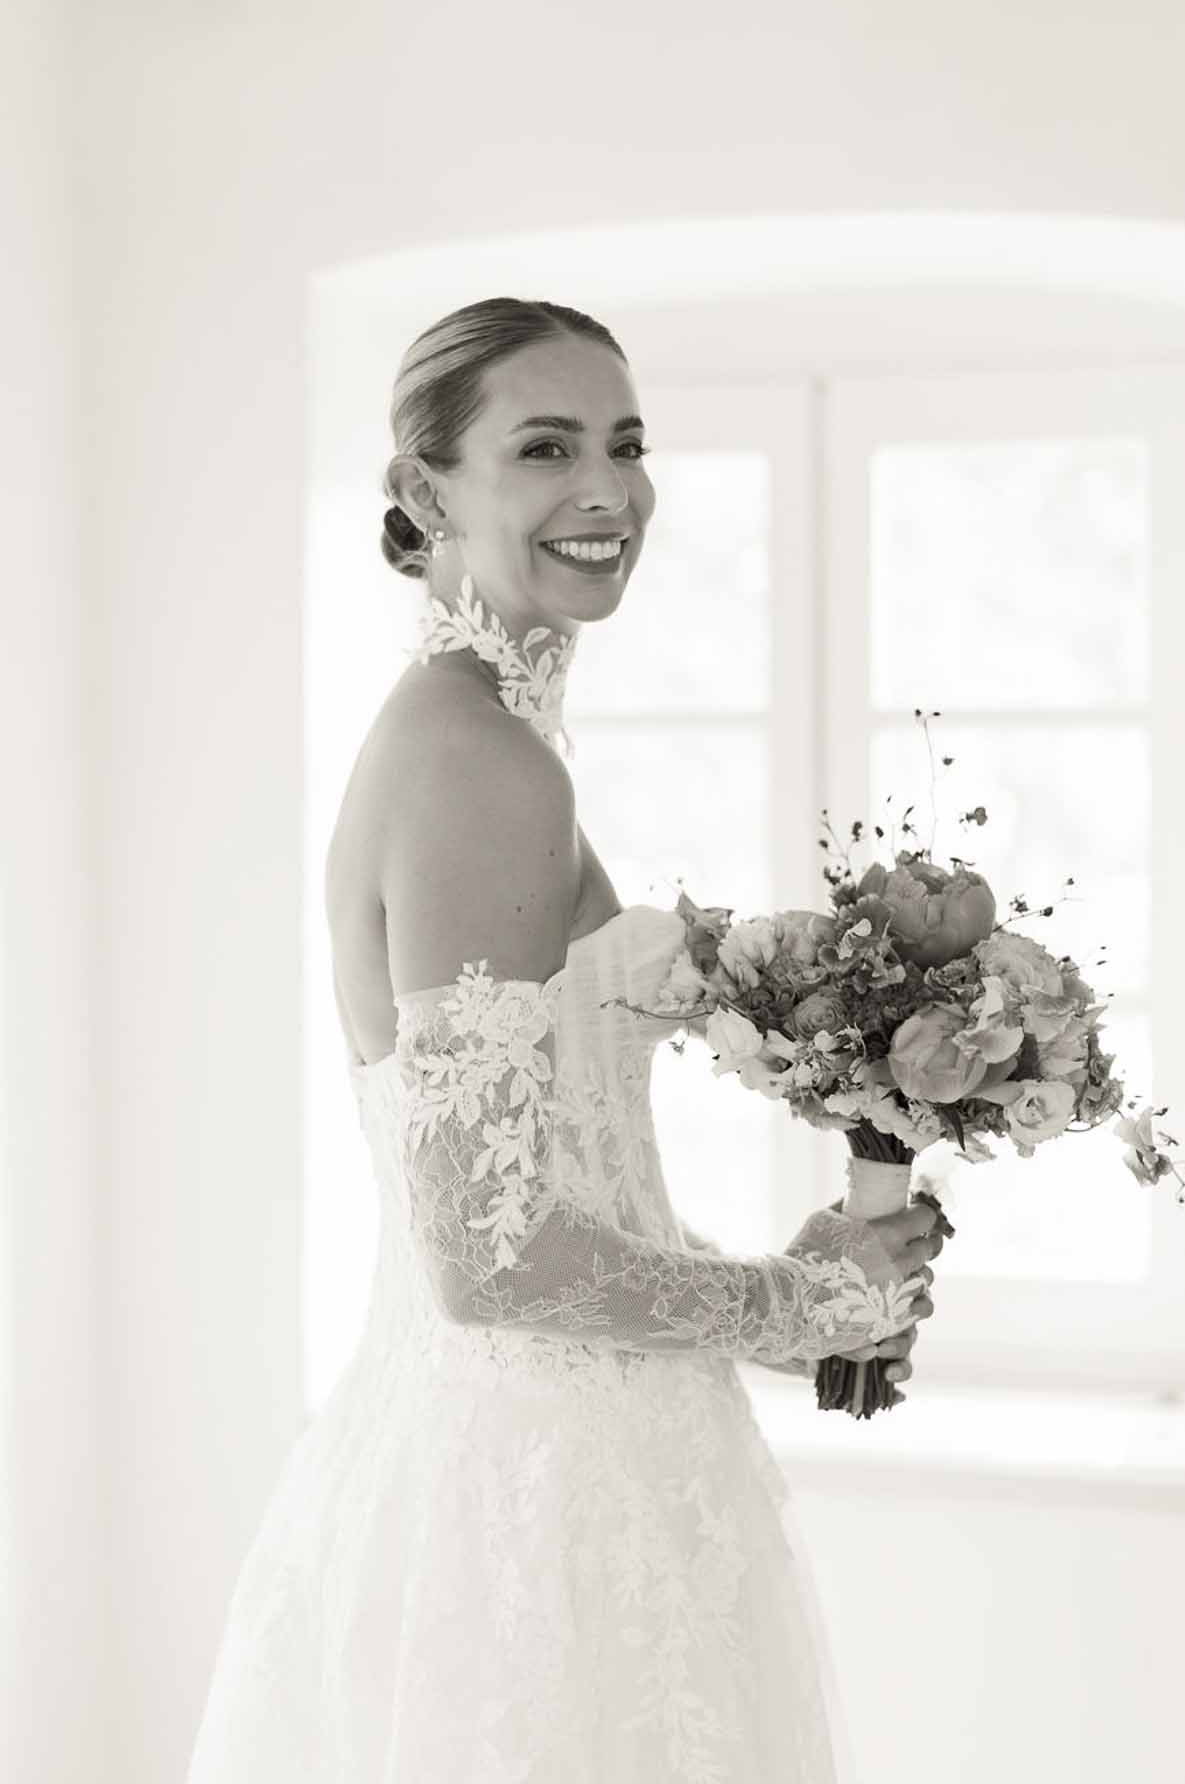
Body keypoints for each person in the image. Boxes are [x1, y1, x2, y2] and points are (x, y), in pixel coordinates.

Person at [185, 296, 945, 1783]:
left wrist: (814, 1284)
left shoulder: (492, 733)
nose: (608, 491)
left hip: (575, 1454)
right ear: (426, 496)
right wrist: (800, 1304)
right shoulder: (471, 759)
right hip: (529, 1504)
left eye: (626, 442)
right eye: (544, 448)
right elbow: (487, 1253)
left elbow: (557, 1186)